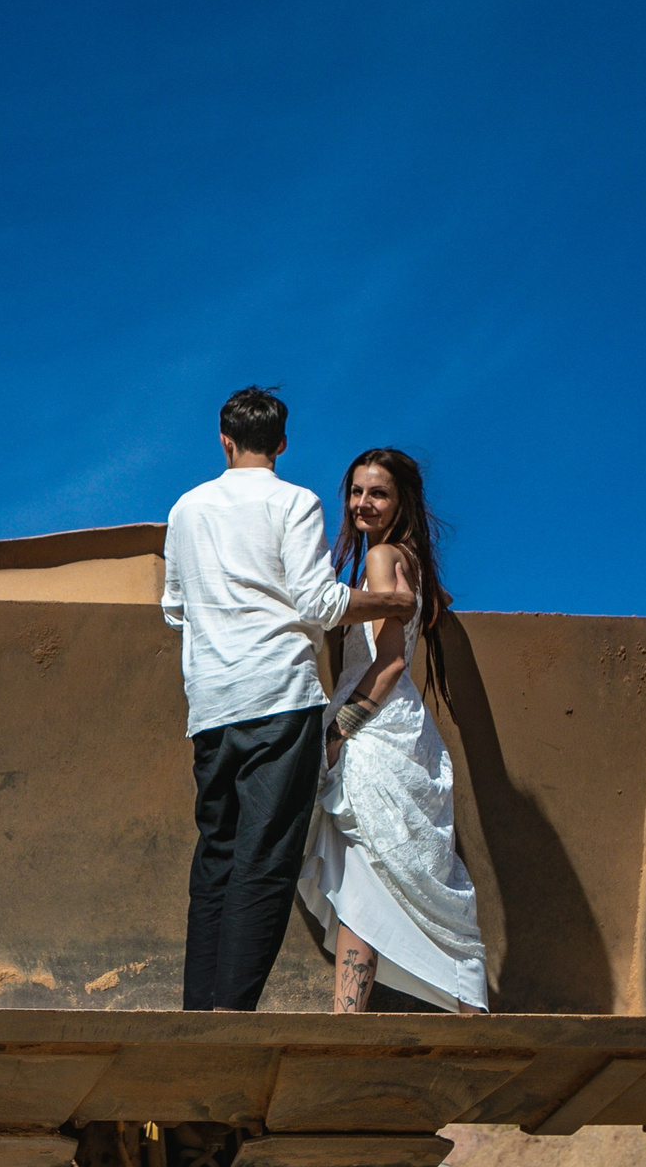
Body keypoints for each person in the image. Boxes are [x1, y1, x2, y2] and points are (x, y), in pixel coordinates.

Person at [163, 388, 416, 1011]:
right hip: (279, 698)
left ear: (225, 441)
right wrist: (393, 603)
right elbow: (318, 603)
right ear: (280, 444)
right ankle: (231, 1015)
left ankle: (199, 1013)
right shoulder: (295, 502)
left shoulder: (186, 508)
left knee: (216, 855)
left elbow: (174, 609)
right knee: (265, 860)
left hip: (211, 706)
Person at [300, 448, 491, 1014]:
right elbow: (432, 606)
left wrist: (340, 733)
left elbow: (389, 662)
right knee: (379, 875)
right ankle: (446, 1005)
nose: (362, 503)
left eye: (377, 493)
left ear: (401, 500)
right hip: (404, 728)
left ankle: (345, 1015)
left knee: (363, 875)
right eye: (356, 492)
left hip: (375, 729)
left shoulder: (382, 557)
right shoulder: (405, 560)